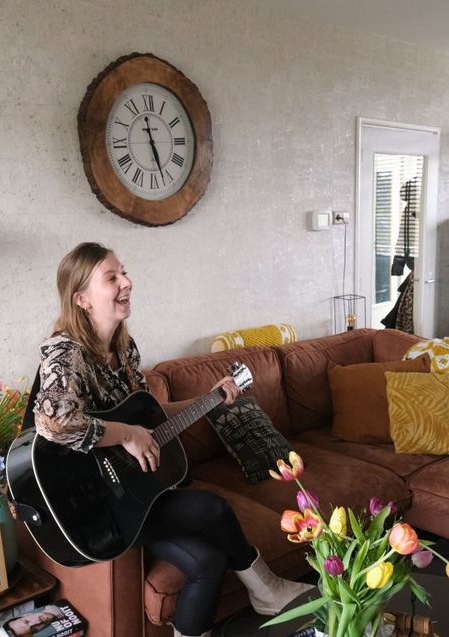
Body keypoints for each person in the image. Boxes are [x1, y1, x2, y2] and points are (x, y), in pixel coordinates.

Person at [32, 242, 313, 637]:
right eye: (111, 278)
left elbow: (148, 418)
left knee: (207, 563)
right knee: (214, 509)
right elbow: (53, 423)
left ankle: (252, 602)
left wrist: (209, 400)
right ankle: (267, 591)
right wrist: (126, 434)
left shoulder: (123, 348)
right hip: (97, 506)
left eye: (124, 272)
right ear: (81, 299)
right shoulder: (65, 352)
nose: (127, 282)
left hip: (137, 493)